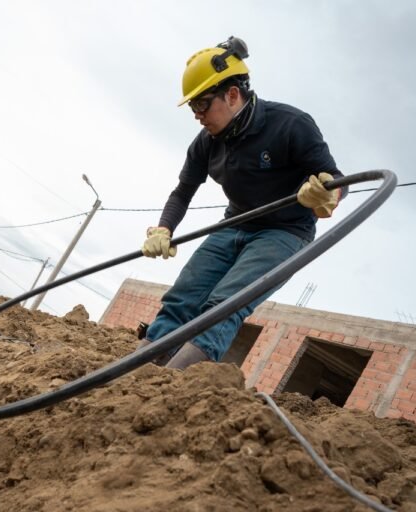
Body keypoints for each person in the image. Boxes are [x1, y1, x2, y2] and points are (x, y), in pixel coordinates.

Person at [138, 36, 346, 369]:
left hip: (284, 232)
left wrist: (327, 194)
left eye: (202, 104)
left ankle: (171, 379)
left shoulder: (290, 124)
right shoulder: (206, 142)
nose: (197, 115)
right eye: (192, 108)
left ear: (232, 95)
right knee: (182, 297)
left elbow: (334, 179)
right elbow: (183, 191)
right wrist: (164, 229)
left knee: (226, 305)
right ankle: (139, 368)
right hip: (233, 224)